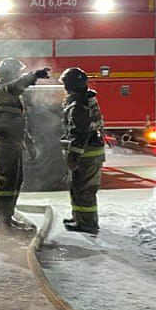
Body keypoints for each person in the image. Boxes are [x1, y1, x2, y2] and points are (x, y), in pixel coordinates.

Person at [0, 57, 51, 231]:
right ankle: (3, 222)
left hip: (13, 141)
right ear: (9, 72)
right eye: (17, 71)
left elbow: (17, 119)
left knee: (15, 180)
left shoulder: (11, 93)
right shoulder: (0, 89)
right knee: (6, 182)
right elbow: (15, 87)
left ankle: (7, 217)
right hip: (4, 142)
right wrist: (33, 76)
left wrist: (27, 140)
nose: (19, 74)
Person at [60, 66, 106, 235]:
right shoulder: (84, 99)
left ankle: (88, 224)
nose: (64, 88)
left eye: (65, 84)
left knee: (85, 190)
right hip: (89, 151)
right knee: (77, 187)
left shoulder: (79, 104)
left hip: (87, 154)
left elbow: (80, 133)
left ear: (70, 85)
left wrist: (73, 156)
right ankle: (79, 218)